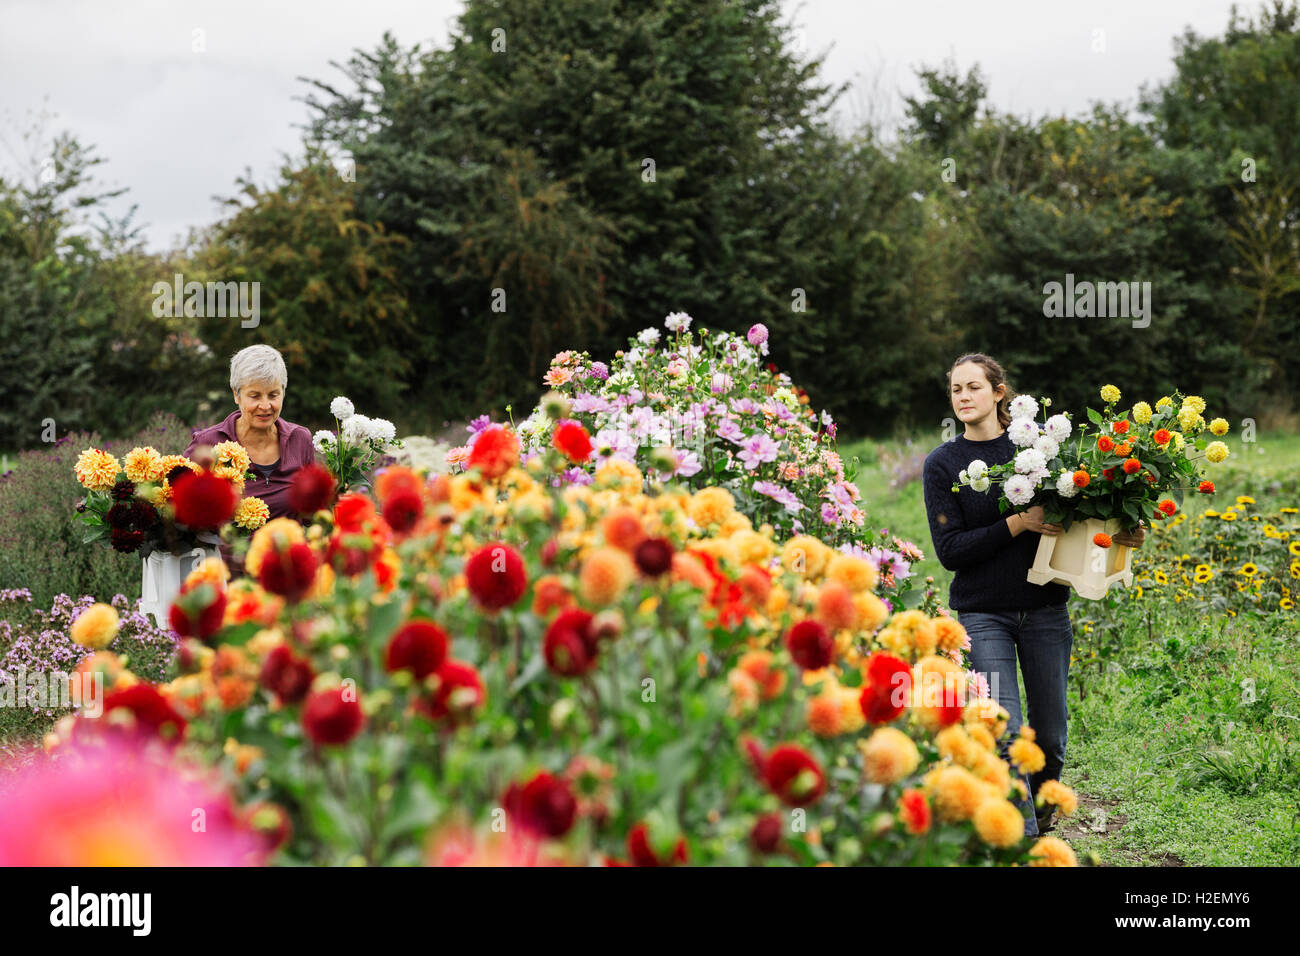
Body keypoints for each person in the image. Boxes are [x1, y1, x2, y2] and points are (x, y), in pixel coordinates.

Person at [921, 353, 1144, 836]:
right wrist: (1016, 523)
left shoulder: (1043, 452)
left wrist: (1122, 530)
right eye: (956, 389)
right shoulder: (943, 465)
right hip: (981, 614)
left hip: (1045, 609)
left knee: (1050, 737)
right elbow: (951, 550)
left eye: (974, 387)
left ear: (999, 393)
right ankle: (1019, 839)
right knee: (1004, 731)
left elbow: (1084, 511)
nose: (963, 396)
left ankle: (1041, 812)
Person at [185, 346, 318, 571]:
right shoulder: (208, 443)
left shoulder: (300, 439)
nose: (265, 406)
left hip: (285, 574)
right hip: (227, 578)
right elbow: (178, 508)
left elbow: (311, 515)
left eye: (273, 395)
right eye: (254, 396)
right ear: (236, 395)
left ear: (283, 392)